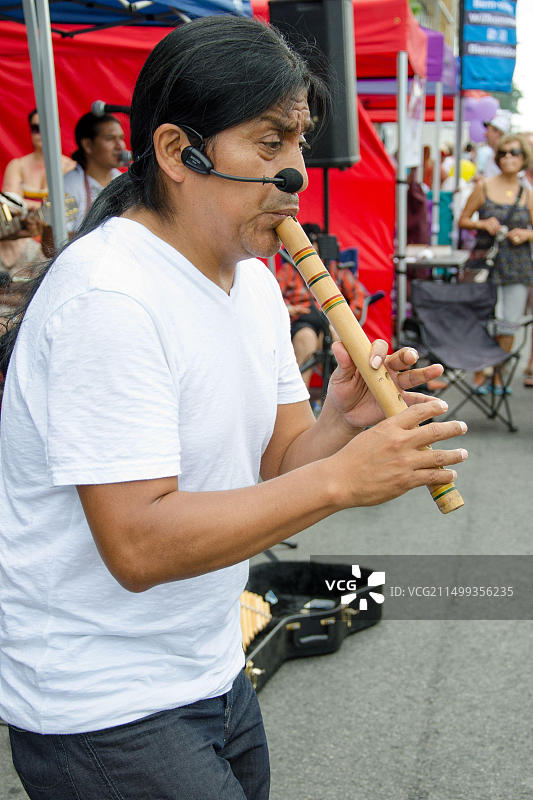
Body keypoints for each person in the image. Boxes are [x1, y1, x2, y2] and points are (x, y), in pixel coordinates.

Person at [0, 17, 467, 800]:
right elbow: (139, 546)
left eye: (299, 143)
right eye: (269, 144)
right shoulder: (109, 298)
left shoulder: (251, 277)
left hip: (210, 667)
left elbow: (276, 467)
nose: (297, 176)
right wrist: (343, 480)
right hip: (102, 704)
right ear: (179, 153)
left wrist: (337, 424)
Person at [459, 133, 533, 393]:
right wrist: (483, 223)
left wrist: (526, 234)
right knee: (485, 320)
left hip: (517, 267)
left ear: (524, 158)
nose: (508, 158)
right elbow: (463, 219)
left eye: (514, 153)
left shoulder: (527, 194)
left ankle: (498, 376)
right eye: (502, 153)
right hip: (486, 265)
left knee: (508, 324)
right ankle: (480, 374)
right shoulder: (485, 187)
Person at [63, 111, 126, 231]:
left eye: (121, 138)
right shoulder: (69, 186)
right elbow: (56, 238)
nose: (120, 146)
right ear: (88, 145)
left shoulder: (122, 181)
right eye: (110, 139)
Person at [2, 108, 75, 209]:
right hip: (23, 225)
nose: (41, 133)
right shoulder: (17, 166)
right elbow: (8, 206)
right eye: (36, 128)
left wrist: (23, 204)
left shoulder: (71, 167)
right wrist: (48, 208)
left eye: (47, 127)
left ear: (57, 129)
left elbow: (72, 208)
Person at [476, 108, 511, 180]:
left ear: (497, 133)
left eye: (488, 130)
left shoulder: (507, 156)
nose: (485, 134)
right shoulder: (491, 154)